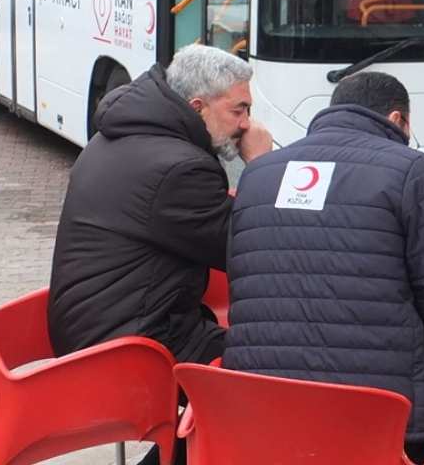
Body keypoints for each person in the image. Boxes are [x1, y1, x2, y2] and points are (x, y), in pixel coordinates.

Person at [224, 72, 424, 464]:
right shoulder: (411, 170)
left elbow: (245, 279)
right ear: (398, 119)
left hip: (263, 413)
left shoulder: (258, 174)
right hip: (386, 421)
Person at [47, 44, 272, 465]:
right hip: (131, 351)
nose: (247, 125)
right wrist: (262, 167)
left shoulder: (118, 136)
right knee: (273, 374)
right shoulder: (181, 166)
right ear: (197, 106)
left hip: (94, 329)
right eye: (238, 111)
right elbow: (253, 247)